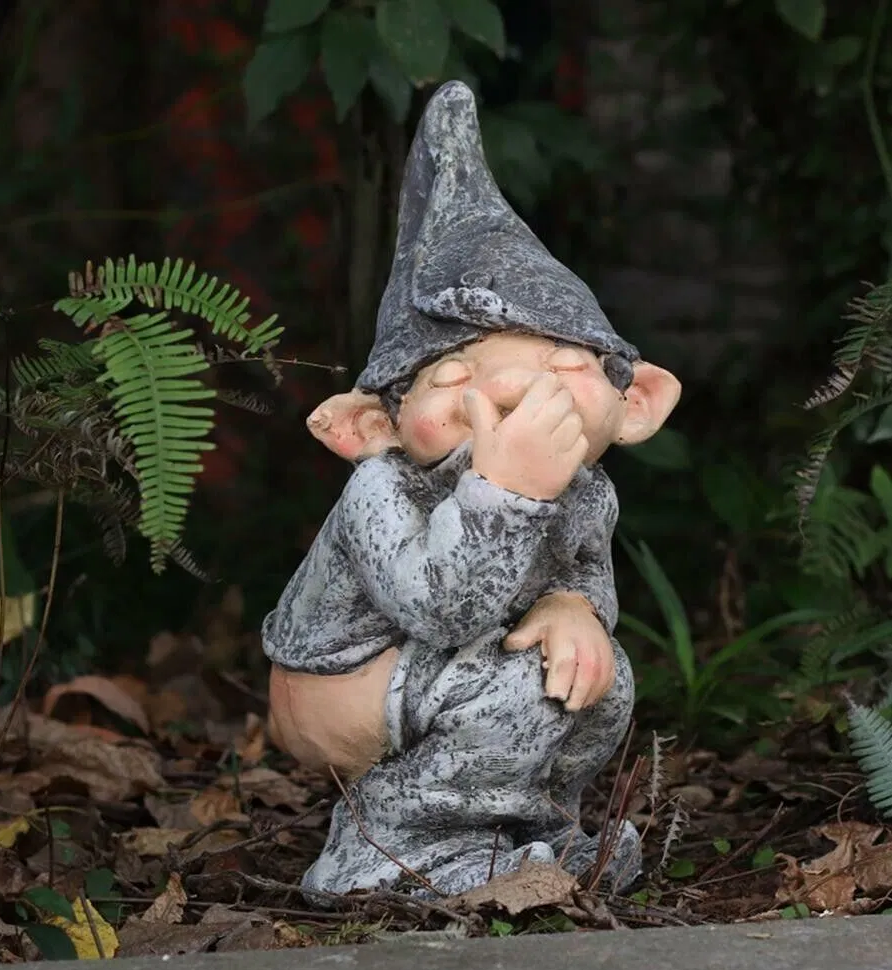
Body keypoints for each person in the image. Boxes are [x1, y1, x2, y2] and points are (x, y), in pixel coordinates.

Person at [262, 81, 681, 900]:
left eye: (562, 363)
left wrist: (573, 608)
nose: (510, 389)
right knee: (513, 690)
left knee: (596, 678)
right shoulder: (380, 486)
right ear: (372, 423)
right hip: (342, 681)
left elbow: (579, 568)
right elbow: (442, 608)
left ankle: (524, 832)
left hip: (454, 660)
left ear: (635, 403)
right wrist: (505, 492)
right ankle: (390, 847)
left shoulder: (584, 490)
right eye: (454, 375)